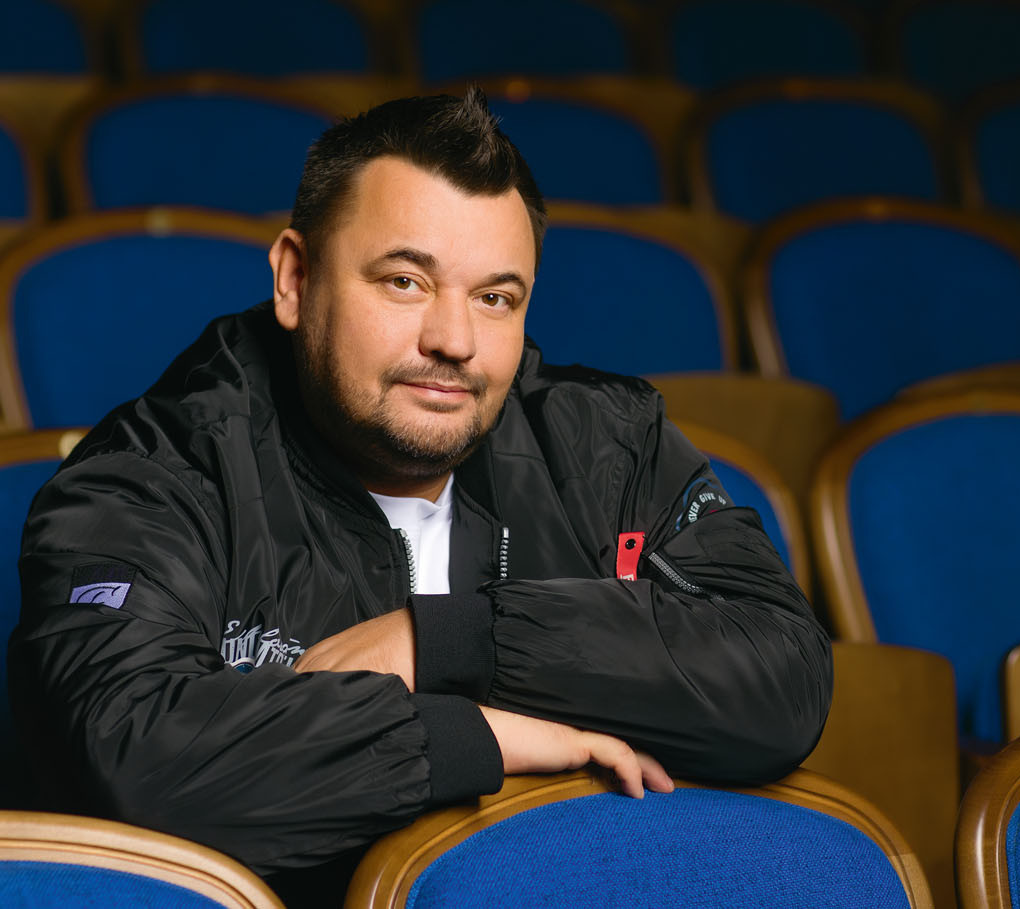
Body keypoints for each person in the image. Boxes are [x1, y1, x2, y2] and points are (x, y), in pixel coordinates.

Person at [8, 89, 832, 903]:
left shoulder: (608, 443)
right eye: (405, 281)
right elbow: (132, 758)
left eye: (495, 298)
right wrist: (477, 739)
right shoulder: (151, 474)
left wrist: (447, 640)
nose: (455, 340)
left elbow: (783, 677)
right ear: (295, 278)